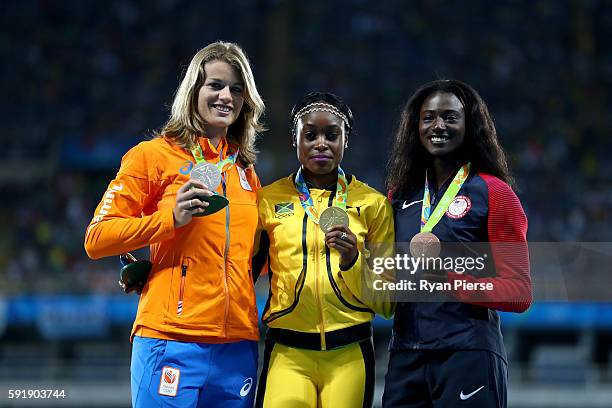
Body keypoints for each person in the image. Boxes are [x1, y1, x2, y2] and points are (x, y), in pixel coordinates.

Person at [84, 41, 265, 407]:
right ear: (193, 91)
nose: (225, 96)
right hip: (171, 340)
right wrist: (170, 220)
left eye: (236, 88)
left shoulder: (246, 172)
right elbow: (97, 238)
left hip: (237, 346)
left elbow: (251, 258)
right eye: (215, 85)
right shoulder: (152, 157)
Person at [383, 79, 532, 408]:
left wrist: (451, 281)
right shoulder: (399, 196)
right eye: (429, 117)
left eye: (450, 117)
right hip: (405, 355)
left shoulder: (495, 193)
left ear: (470, 125)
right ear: (415, 127)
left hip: (468, 353)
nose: (438, 125)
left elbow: (519, 292)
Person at [254, 92, 395, 408]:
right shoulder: (267, 200)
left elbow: (387, 303)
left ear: (346, 139)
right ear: (295, 140)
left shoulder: (373, 204)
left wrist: (353, 260)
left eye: (332, 135)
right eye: (310, 135)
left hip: (350, 353)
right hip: (287, 353)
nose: (321, 143)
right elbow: (239, 269)